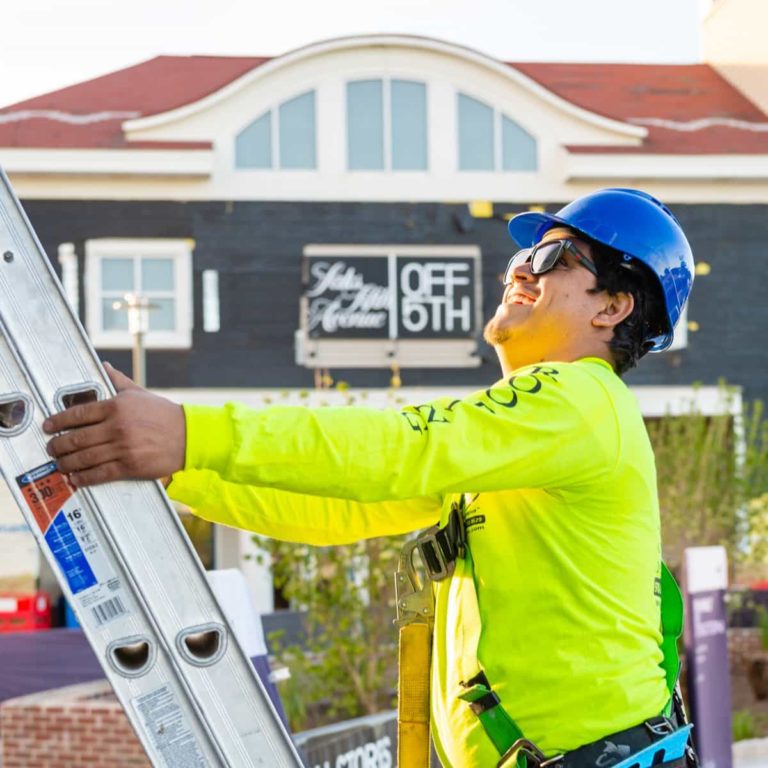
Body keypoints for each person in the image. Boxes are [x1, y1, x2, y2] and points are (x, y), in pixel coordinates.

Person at [44, 188, 694, 768]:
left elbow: (394, 447)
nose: (521, 269)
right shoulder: (530, 437)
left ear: (612, 306)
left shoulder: (577, 397)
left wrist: (189, 434)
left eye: (554, 259)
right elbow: (340, 510)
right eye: (518, 261)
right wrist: (177, 464)